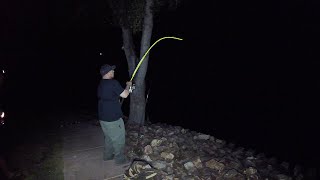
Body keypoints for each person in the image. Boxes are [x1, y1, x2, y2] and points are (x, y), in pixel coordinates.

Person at [97, 64, 132, 165]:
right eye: (112, 71)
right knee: (119, 139)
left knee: (108, 137)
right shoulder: (113, 83)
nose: (114, 72)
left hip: (103, 117)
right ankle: (120, 159)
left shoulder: (101, 84)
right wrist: (128, 85)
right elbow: (125, 94)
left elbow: (114, 95)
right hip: (113, 118)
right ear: (107, 73)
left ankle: (108, 156)